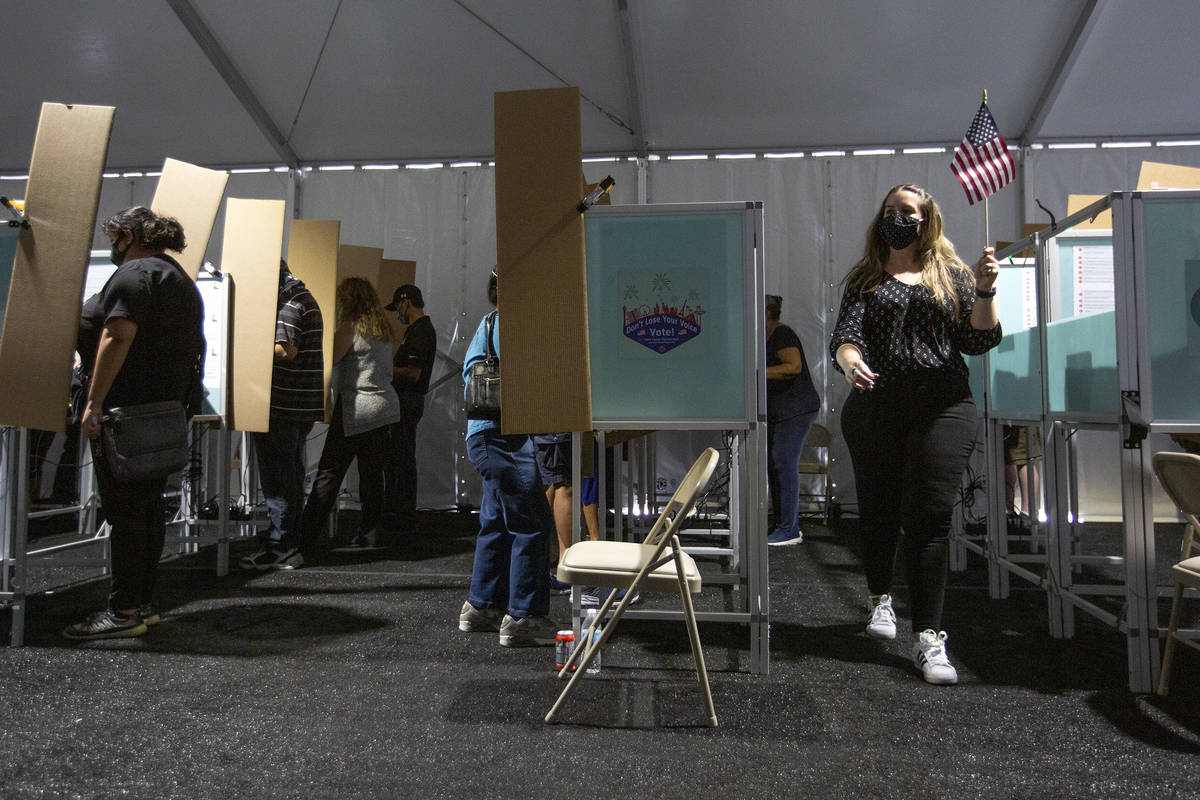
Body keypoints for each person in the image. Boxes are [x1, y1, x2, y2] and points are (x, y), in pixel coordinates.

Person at [829, 183, 1001, 685]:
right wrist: (851, 364)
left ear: (927, 221)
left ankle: (929, 638)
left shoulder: (952, 276)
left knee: (929, 514)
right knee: (879, 509)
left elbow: (979, 339)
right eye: (889, 210)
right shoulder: (864, 277)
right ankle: (881, 599)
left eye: (907, 211)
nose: (897, 218)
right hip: (876, 403)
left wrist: (986, 290)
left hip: (943, 403)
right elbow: (846, 337)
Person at [64, 206, 205, 639]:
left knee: (126, 514)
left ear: (126, 234)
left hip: (124, 417)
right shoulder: (179, 280)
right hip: (160, 415)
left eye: (114, 237)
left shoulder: (132, 276)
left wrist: (93, 403)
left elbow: (117, 335)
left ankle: (123, 612)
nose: (112, 246)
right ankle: (141, 603)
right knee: (147, 511)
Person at [458, 272, 558, 646]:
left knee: (496, 522)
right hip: (504, 437)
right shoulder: (511, 326)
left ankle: (482, 607)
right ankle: (524, 617)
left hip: (486, 436)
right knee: (531, 523)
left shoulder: (489, 323)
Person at [298, 277, 402, 555]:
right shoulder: (382, 330)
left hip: (358, 408)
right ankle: (368, 532)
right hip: (384, 407)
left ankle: (303, 538)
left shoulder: (349, 329)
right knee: (371, 475)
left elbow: (326, 359)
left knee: (329, 474)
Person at [241, 259, 324, 570]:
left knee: (279, 479)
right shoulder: (302, 297)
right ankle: (287, 543)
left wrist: (245, 347)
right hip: (297, 405)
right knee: (289, 475)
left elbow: (285, 350)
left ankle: (282, 547)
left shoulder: (289, 303)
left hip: (283, 405)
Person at [765, 293, 821, 546]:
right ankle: (782, 524)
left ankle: (789, 529)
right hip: (781, 411)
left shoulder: (782, 334)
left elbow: (793, 367)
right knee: (775, 464)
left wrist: (756, 372)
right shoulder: (767, 336)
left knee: (783, 462)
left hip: (797, 409)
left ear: (766, 311)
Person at [381, 284, 436, 533]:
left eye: (397, 308)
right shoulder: (415, 330)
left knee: (402, 457)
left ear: (406, 302)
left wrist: (383, 371)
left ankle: (403, 514)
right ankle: (400, 511)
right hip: (405, 401)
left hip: (407, 401)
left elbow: (413, 373)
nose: (397, 314)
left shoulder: (421, 331)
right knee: (399, 456)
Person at [1003, 425, 1041, 530]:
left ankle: (1027, 514)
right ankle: (1009, 513)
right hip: (1004, 414)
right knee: (1005, 456)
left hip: (1022, 416)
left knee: (1024, 457)